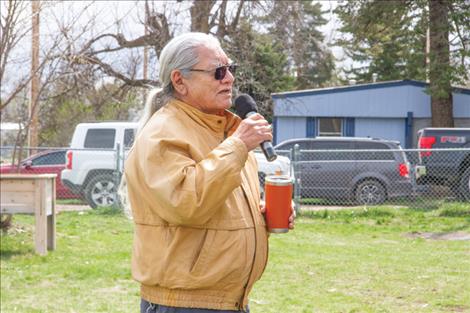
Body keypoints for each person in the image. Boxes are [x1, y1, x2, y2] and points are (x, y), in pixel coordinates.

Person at [122, 32, 294, 313]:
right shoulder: (163, 133)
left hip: (230, 301)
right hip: (183, 305)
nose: (229, 79)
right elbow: (187, 202)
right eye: (218, 71)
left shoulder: (223, 130)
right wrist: (238, 145)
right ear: (180, 81)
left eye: (230, 69)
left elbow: (217, 202)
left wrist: (260, 215)